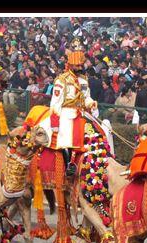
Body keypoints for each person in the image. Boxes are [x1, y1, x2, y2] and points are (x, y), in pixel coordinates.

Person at [49, 39, 98, 177]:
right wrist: (55, 122)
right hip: (65, 113)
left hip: (81, 112)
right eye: (77, 65)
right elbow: (55, 103)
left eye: (81, 65)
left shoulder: (83, 80)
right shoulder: (62, 80)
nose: (79, 68)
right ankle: (68, 165)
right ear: (70, 65)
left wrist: (91, 103)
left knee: (96, 132)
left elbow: (86, 97)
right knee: (66, 139)